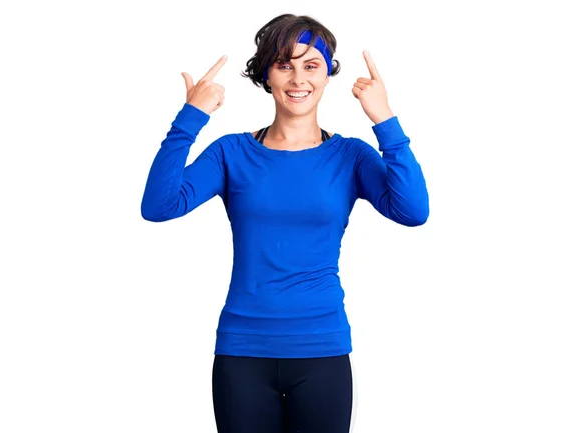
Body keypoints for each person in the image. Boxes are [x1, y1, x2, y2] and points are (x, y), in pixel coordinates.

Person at [141, 13, 429, 433]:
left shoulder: (350, 157)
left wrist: (384, 119)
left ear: (328, 74)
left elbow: (413, 211)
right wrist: (190, 117)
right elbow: (160, 205)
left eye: (311, 65)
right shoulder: (231, 154)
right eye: (284, 64)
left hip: (322, 350)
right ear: (266, 75)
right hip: (243, 352)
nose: (298, 78)